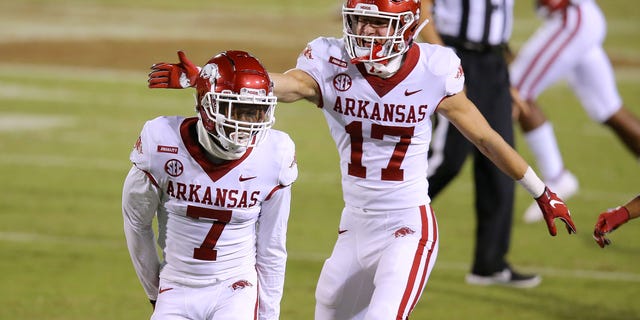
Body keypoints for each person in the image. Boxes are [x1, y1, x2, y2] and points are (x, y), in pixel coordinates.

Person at [147, 1, 576, 318]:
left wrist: (541, 190)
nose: (366, 31)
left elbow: (485, 137)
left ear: (407, 25)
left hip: (408, 226)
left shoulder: (434, 68)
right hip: (354, 226)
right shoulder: (331, 62)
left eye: (378, 22)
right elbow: (282, 84)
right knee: (328, 312)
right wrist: (209, 77)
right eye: (359, 20)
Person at [123, 50, 298, 320]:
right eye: (235, 111)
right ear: (207, 106)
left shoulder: (274, 154)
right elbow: (136, 223)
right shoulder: (162, 142)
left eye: (254, 113)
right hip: (176, 285)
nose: (245, 123)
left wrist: (268, 315)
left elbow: (272, 247)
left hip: (235, 288)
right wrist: (155, 292)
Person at [417, 0, 543, 288]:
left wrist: (505, 79)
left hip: (495, 65)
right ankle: (387, 215)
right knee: (446, 161)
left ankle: (489, 263)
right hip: (458, 56)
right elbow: (422, 9)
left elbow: (497, 24)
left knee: (501, 164)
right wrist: (445, 62)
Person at [510, 0, 640, 223]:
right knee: (608, 109)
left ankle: (556, 177)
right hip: (577, 18)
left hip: (572, 17)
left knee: (513, 91)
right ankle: (557, 176)